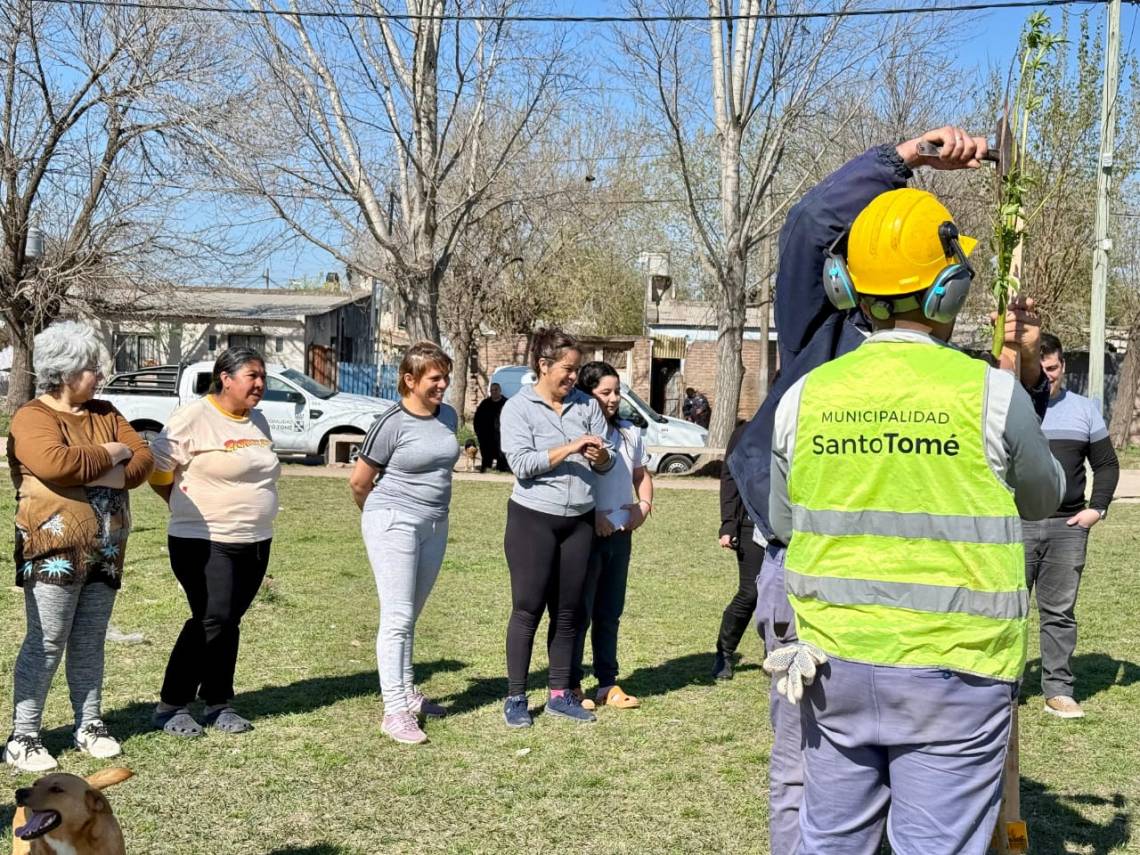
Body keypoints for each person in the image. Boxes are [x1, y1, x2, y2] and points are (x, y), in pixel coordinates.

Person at [725, 126, 1055, 855]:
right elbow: (814, 221)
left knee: (828, 807)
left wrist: (1020, 364)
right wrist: (906, 157)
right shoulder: (820, 327)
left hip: (853, 645)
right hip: (863, 626)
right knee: (800, 783)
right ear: (948, 288)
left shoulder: (925, 376)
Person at [4, 322, 153, 772]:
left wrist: (98, 463)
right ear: (66, 372)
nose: (99, 376)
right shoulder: (33, 417)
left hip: (106, 548)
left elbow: (143, 461)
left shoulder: (106, 412)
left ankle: (89, 723)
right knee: (47, 641)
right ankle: (23, 735)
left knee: (88, 641)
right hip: (53, 549)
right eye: (91, 368)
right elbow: (53, 462)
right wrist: (111, 455)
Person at [148, 347, 280, 738]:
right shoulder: (193, 417)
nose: (260, 384)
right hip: (203, 540)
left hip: (255, 540)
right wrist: (183, 505)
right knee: (212, 617)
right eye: (252, 376)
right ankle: (171, 705)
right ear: (225, 377)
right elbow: (158, 473)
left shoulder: (258, 421)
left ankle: (218, 702)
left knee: (228, 621)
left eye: (262, 377)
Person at [499, 328, 614, 728]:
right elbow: (522, 464)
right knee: (528, 609)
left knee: (569, 613)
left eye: (577, 370)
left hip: (579, 521)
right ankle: (515, 696)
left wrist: (600, 456)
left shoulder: (586, 405)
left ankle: (559, 694)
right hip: (533, 520)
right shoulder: (518, 408)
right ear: (543, 365)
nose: (573, 377)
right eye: (567, 369)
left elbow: (607, 462)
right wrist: (571, 447)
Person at [348, 342, 460, 745]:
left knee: (411, 613)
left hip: (435, 523)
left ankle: (409, 694)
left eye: (445, 376)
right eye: (435, 378)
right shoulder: (391, 422)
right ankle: (394, 710)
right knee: (396, 617)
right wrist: (383, 522)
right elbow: (360, 483)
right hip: (393, 520)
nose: (443, 384)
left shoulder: (448, 415)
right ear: (409, 380)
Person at [1024, 332, 1119, 719]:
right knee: (1006, 610)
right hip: (1017, 525)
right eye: (1040, 369)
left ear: (1062, 365)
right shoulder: (1013, 408)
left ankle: (1058, 691)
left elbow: (1107, 465)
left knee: (1059, 612)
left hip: (1068, 526)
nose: (1049, 377)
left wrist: (1097, 509)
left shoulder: (1084, 410)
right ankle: (1001, 688)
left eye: (1053, 368)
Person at [568, 361, 653, 710]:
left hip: (620, 535)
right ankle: (570, 685)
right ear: (588, 394)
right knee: (578, 612)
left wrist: (642, 507)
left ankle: (607, 684)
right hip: (585, 534)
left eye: (617, 391)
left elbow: (641, 475)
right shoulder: (576, 435)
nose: (614, 398)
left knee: (609, 612)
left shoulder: (631, 432)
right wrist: (593, 515)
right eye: (606, 392)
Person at [711, 420, 765, 680]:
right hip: (751, 523)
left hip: (790, 526)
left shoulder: (802, 425)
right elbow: (730, 476)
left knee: (782, 593)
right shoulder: (747, 432)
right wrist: (728, 524)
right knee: (751, 592)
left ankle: (775, 654)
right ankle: (724, 652)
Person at [473, 383, 510, 473]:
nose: (494, 392)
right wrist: (478, 433)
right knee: (486, 457)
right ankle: (486, 469)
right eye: (492, 390)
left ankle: (502, 470)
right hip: (487, 436)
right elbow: (477, 419)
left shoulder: (507, 403)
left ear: (500, 390)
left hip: (502, 436)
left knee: (502, 457)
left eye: (496, 389)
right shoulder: (485, 404)